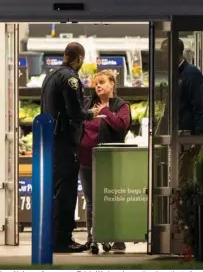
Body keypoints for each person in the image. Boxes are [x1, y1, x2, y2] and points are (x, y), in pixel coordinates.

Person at [41, 42, 97, 253]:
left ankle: (54, 237)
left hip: (51, 142)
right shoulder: (71, 78)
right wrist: (91, 113)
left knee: (56, 191)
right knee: (65, 193)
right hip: (65, 143)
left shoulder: (51, 75)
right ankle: (63, 240)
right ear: (79, 58)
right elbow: (75, 113)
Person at [79, 70, 132, 251]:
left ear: (112, 84)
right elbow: (79, 125)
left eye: (102, 82)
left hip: (109, 160)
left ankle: (115, 237)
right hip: (86, 160)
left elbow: (121, 126)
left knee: (110, 199)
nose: (98, 86)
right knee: (91, 201)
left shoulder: (121, 106)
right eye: (96, 83)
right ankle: (91, 238)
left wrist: (106, 111)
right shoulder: (88, 104)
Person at [160, 38, 203, 183]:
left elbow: (199, 107)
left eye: (164, 53)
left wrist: (197, 138)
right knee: (174, 180)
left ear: (175, 52)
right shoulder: (175, 74)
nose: (162, 57)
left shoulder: (191, 74)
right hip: (175, 137)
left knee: (181, 180)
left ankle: (180, 206)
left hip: (185, 137)